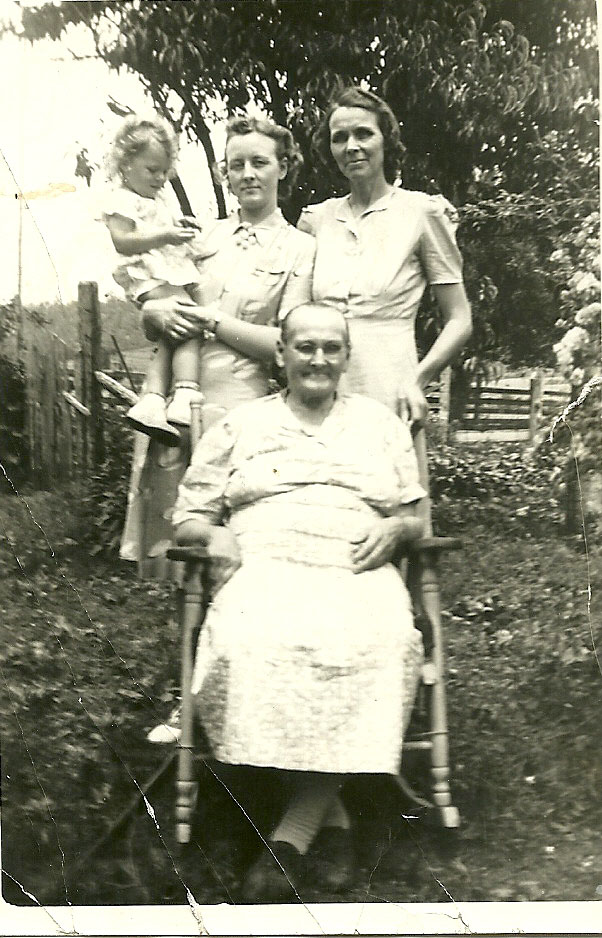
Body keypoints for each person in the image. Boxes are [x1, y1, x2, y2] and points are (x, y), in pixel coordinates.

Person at [172, 304, 427, 901]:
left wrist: (399, 531)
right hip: (265, 562)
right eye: (305, 347)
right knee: (251, 641)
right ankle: (329, 820)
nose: (318, 359)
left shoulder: (378, 424)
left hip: (355, 564)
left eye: (331, 348)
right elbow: (188, 516)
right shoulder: (240, 425)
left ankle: (291, 835)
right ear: (280, 354)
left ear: (346, 356)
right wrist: (215, 535)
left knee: (382, 642)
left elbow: (412, 514)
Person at [120, 114, 315, 581]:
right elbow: (155, 295)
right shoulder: (199, 237)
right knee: (178, 552)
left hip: (240, 411)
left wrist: (211, 319)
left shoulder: (300, 249)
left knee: (235, 551)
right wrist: (153, 315)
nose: (248, 174)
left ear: (283, 168)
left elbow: (285, 346)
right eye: (236, 165)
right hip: (173, 411)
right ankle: (190, 651)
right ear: (223, 175)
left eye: (260, 163)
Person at [298, 85, 472, 424]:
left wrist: (418, 380)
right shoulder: (316, 220)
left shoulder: (421, 213)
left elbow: (460, 319)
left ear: (386, 140)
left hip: (391, 384)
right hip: (320, 383)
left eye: (364, 134)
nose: (351, 147)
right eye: (339, 137)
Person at [102, 114, 206, 443]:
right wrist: (165, 236)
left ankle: (153, 400)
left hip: (161, 268)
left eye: (164, 171)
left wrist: (181, 227)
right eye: (152, 170)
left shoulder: (155, 200)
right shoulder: (121, 199)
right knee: (190, 318)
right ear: (125, 163)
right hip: (145, 273)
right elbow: (122, 240)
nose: (160, 178)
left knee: (171, 332)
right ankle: (185, 393)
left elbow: (166, 231)